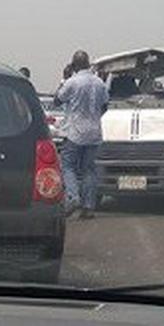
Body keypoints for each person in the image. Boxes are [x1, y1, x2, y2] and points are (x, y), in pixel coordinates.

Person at [55, 51, 109, 220]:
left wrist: (64, 78)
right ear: (88, 64)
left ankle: (73, 197)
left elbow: (58, 100)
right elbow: (105, 105)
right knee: (89, 169)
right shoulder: (99, 83)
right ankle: (89, 207)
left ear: (74, 65)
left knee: (68, 166)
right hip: (94, 132)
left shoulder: (72, 82)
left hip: (75, 132)